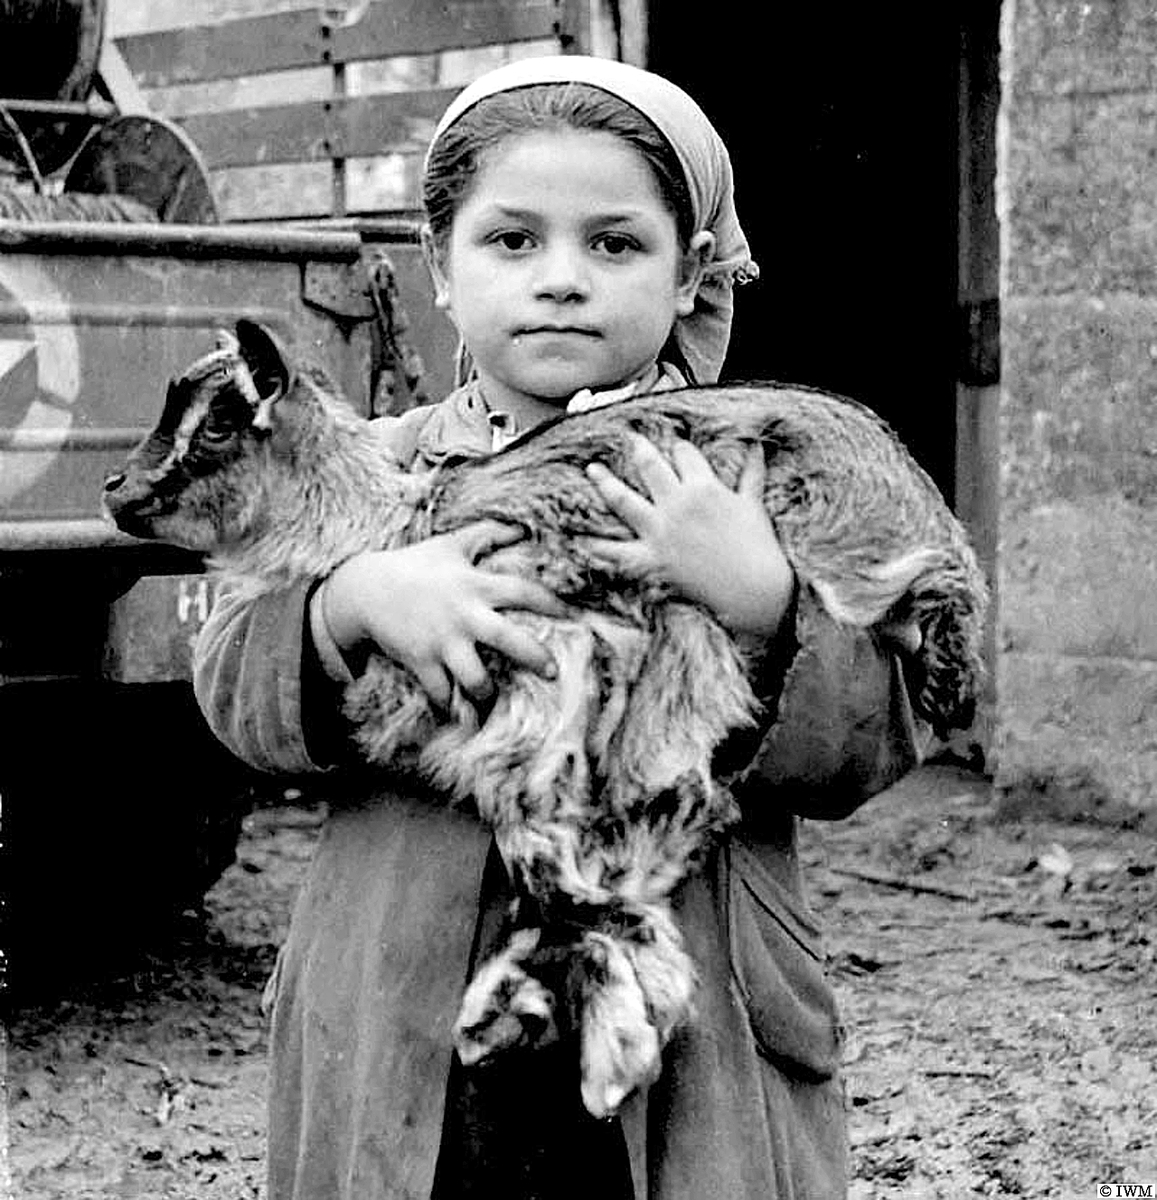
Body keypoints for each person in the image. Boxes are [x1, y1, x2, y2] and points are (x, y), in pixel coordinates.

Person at [193, 54, 928, 1200]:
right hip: (407, 1018)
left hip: (686, 1038)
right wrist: (349, 606)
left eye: (615, 244)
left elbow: (871, 741)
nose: (561, 281)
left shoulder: (751, 478)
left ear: (690, 274)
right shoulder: (367, 473)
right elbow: (232, 688)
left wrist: (760, 603)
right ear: (440, 267)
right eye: (511, 240)